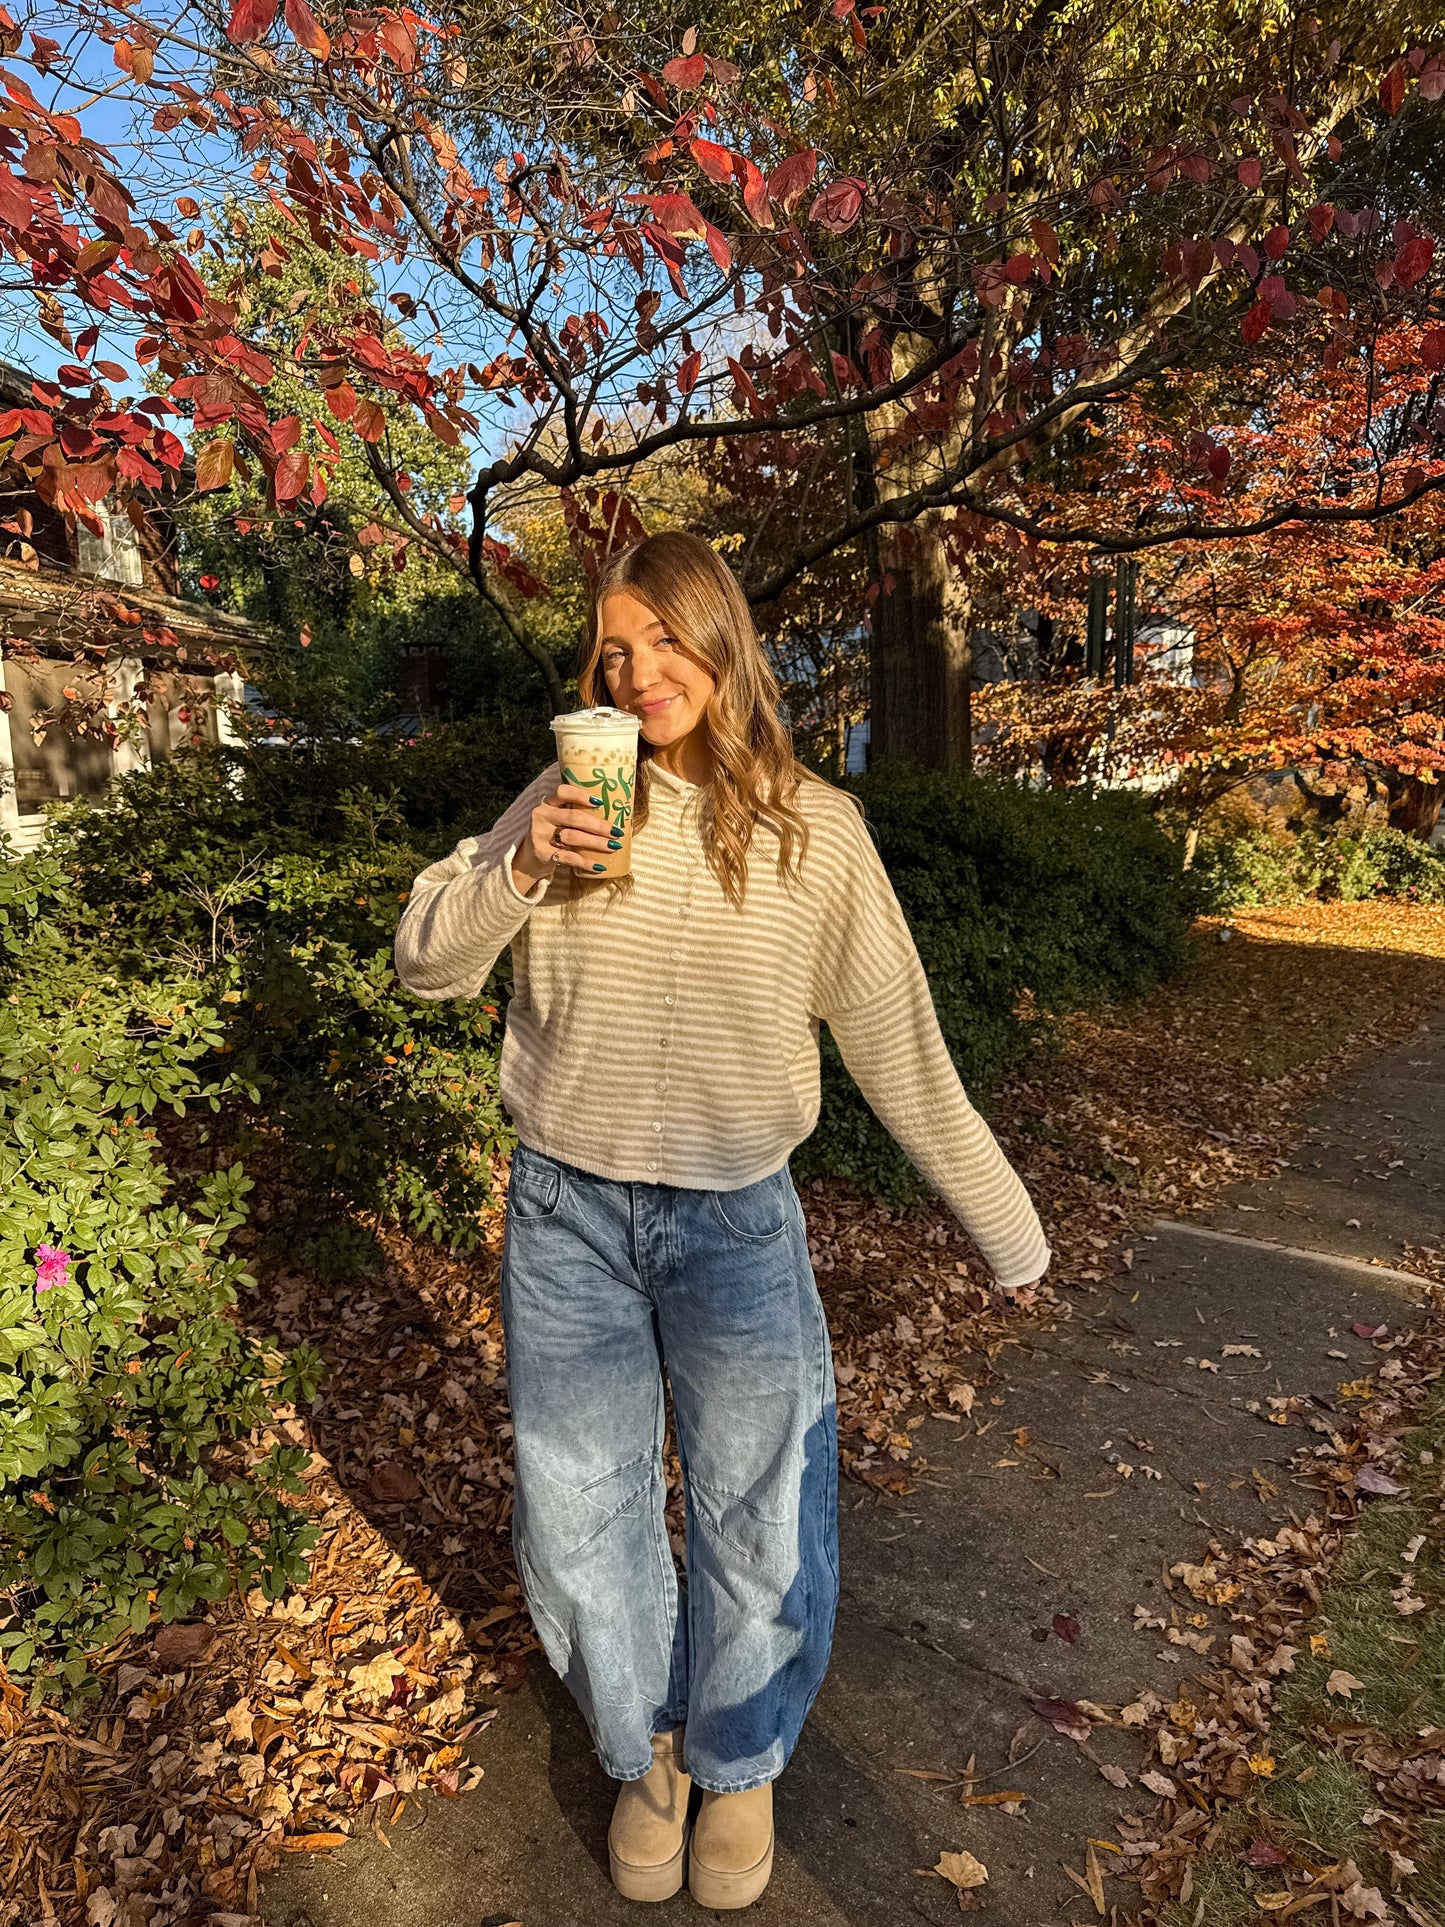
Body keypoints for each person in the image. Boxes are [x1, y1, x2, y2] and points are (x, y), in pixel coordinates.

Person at [393, 531, 1049, 1909]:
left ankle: (740, 1764)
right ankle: (652, 1754)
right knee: (579, 1517)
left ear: (722, 645)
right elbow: (425, 968)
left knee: (761, 1513)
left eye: (664, 642)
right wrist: (521, 874)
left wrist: (1006, 1228)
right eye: (612, 652)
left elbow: (899, 1047)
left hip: (733, 1223)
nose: (638, 673)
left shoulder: (816, 832)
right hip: (565, 1213)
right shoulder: (560, 799)